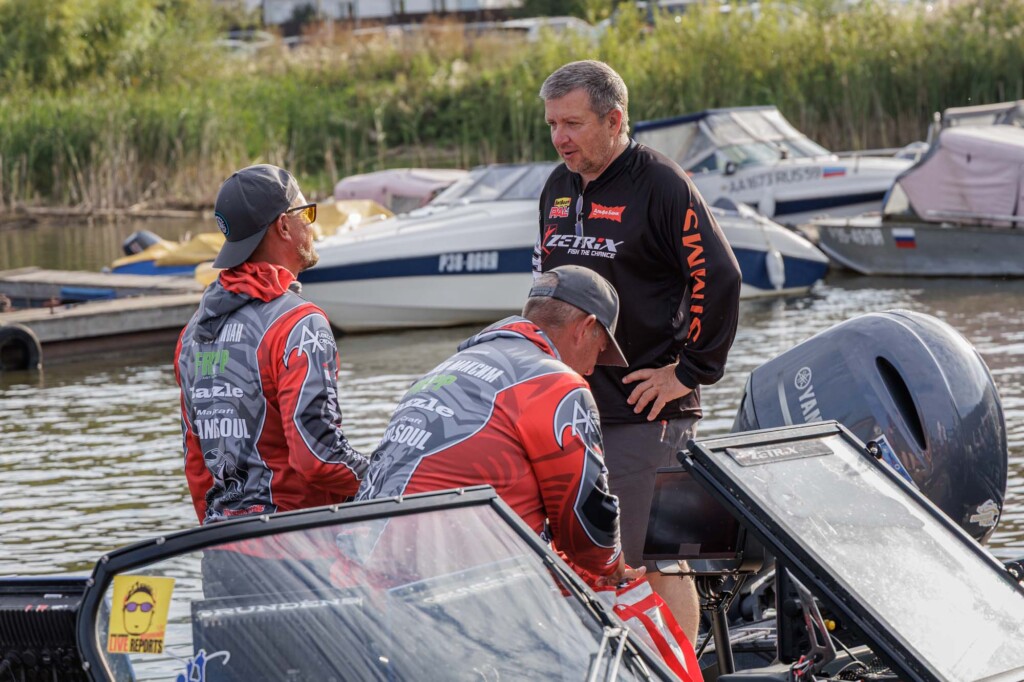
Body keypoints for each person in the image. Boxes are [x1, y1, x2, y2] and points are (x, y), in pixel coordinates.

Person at [535, 60, 742, 639]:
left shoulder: (662, 183)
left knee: (652, 557)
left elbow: (720, 277)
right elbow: (544, 289)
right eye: (552, 125)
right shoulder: (556, 188)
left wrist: (689, 371)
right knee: (581, 556)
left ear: (614, 119)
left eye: (572, 124)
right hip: (571, 404)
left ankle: (680, 670)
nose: (560, 138)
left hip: (647, 408)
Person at [357, 265, 639, 585]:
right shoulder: (555, 382)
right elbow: (585, 529)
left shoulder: (445, 368)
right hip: (440, 579)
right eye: (599, 351)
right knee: (622, 593)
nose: (591, 369)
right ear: (585, 328)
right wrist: (612, 566)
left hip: (364, 561)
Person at [175, 163, 369, 527]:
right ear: (283, 226)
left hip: (222, 544)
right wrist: (383, 477)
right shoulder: (299, 325)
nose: (311, 225)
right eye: (305, 213)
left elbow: (197, 467)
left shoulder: (192, 334)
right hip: (298, 542)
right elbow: (318, 457)